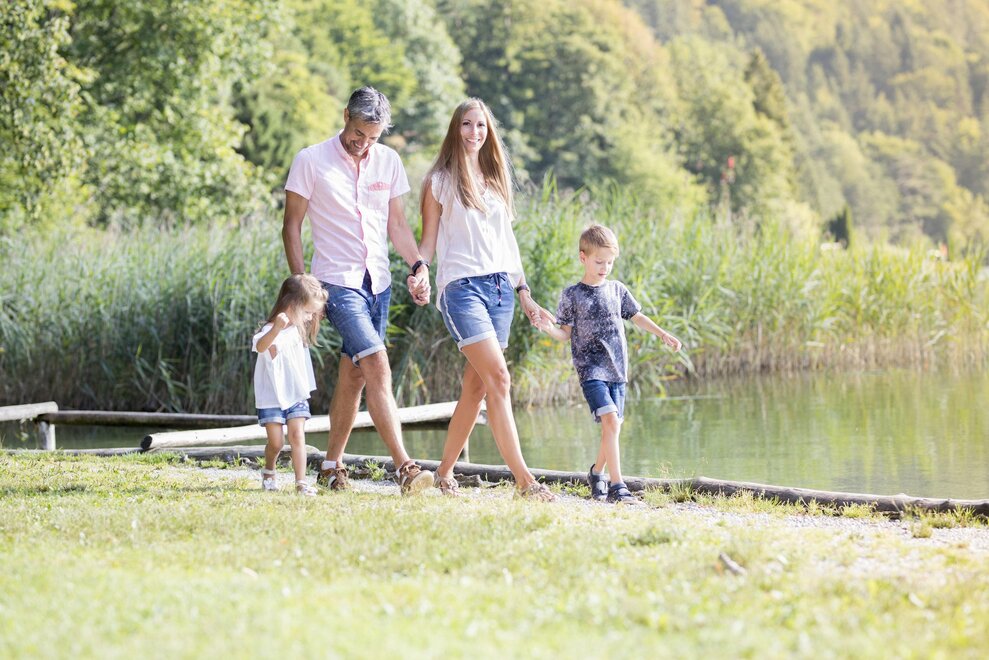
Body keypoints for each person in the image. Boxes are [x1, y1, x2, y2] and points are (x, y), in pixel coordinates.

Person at [282, 86, 434, 495]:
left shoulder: (388, 161)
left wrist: (418, 265)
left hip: (378, 284)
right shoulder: (311, 160)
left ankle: (331, 466)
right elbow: (291, 226)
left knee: (354, 375)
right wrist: (302, 287)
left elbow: (397, 225)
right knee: (378, 363)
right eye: (358, 134)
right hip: (335, 282)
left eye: (373, 137)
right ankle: (405, 468)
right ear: (346, 115)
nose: (363, 144)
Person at [416, 98, 556, 502]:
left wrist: (525, 294)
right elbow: (428, 241)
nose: (474, 132)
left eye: (480, 125)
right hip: (462, 290)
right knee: (499, 378)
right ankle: (525, 482)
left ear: (488, 131)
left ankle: (444, 473)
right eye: (466, 124)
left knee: (476, 388)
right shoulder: (439, 181)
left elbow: (507, 245)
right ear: (455, 129)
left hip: (500, 292)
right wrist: (419, 270)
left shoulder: (495, 180)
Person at [535, 224, 682, 503]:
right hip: (590, 369)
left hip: (617, 369)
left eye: (610, 262)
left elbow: (637, 316)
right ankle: (618, 487)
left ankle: (596, 473)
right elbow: (564, 334)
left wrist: (662, 334)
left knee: (612, 427)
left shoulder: (617, 290)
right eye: (599, 262)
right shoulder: (572, 294)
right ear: (583, 258)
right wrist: (547, 328)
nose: (605, 268)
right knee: (611, 421)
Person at [253, 274, 329, 497]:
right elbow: (261, 347)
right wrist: (277, 328)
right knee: (276, 442)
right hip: (271, 396)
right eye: (307, 312)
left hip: (295, 393)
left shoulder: (297, 331)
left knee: (298, 437)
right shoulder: (271, 330)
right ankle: (269, 471)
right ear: (291, 304)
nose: (309, 318)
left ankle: (301, 483)